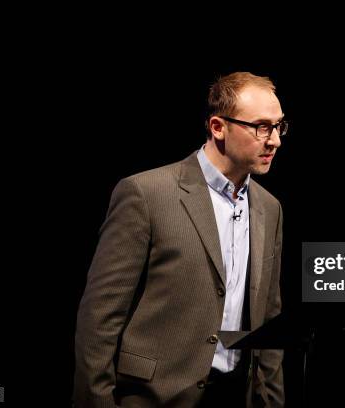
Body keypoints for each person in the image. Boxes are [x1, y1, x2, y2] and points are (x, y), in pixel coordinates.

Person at [73, 72, 288, 407]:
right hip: (153, 397)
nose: (274, 140)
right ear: (218, 127)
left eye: (278, 126)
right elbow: (100, 319)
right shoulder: (146, 194)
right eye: (261, 126)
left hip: (233, 395)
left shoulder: (269, 208)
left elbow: (268, 317)